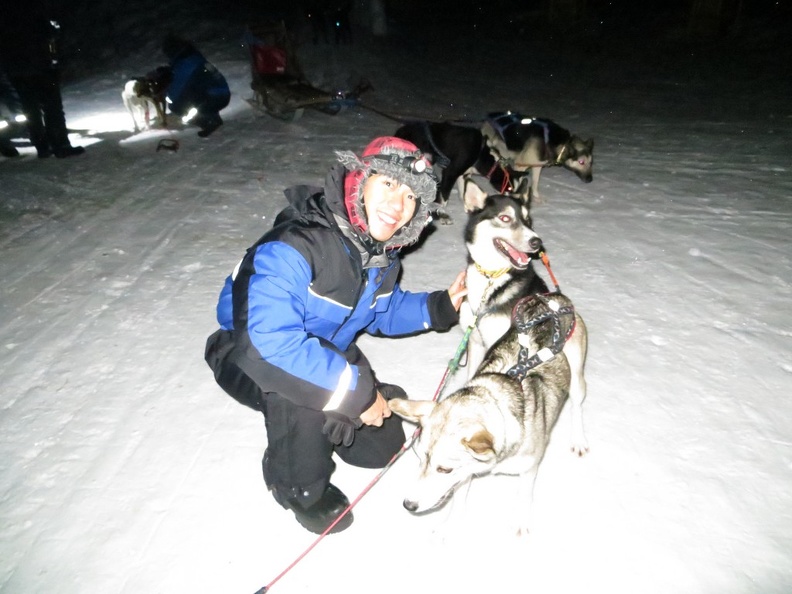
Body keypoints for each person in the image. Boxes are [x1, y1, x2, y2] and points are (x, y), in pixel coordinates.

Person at [205, 136, 467, 534]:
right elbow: (268, 344)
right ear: (359, 181)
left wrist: (440, 306)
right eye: (389, 184)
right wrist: (356, 394)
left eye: (412, 197)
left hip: (322, 353)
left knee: (382, 447)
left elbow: (383, 309)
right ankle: (295, 487)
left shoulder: (377, 255)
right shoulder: (292, 246)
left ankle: (338, 401)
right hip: (245, 355)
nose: (399, 206)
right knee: (305, 396)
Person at [0, 5, 84, 159]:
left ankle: (42, 147)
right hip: (40, 64)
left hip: (16, 69)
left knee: (30, 108)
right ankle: (60, 145)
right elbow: (48, 30)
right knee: (52, 105)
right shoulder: (30, 9)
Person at [161, 34, 230, 138]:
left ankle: (206, 122)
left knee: (175, 105)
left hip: (215, 97)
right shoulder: (194, 57)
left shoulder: (185, 64)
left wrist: (166, 93)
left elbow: (175, 92)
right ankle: (212, 118)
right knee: (198, 89)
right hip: (222, 94)